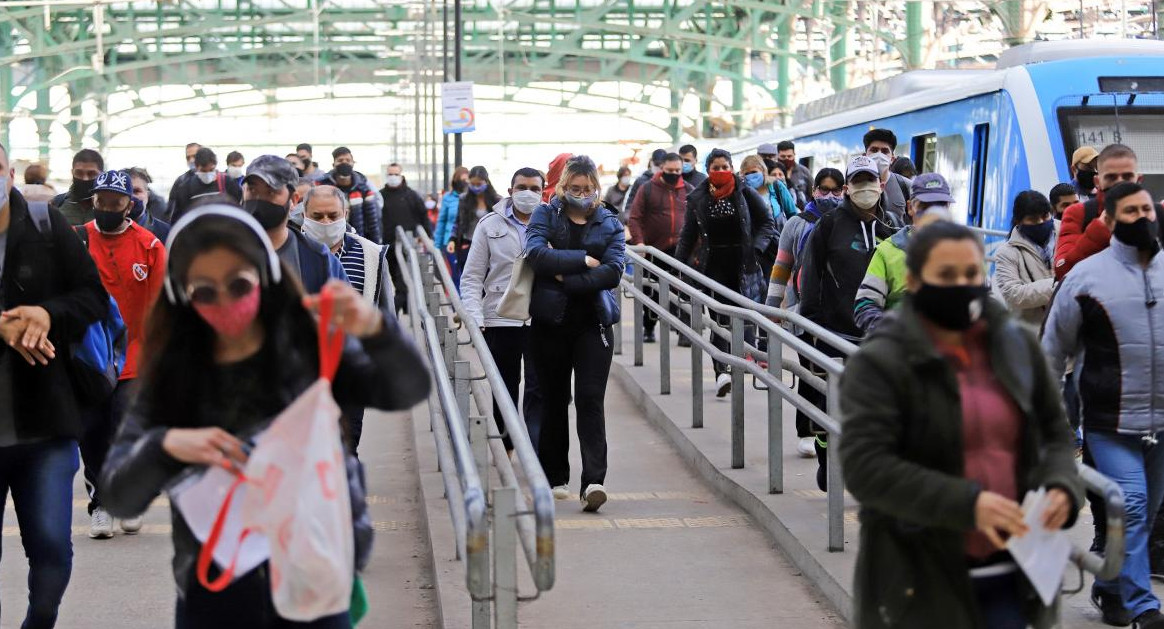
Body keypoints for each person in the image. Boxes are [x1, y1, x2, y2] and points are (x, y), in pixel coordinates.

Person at [99, 205, 430, 629]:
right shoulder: (172, 375)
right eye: (205, 291)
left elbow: (406, 389)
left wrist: (378, 331)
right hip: (215, 590)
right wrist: (165, 447)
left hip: (314, 574)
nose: (224, 302)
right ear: (183, 295)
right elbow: (117, 494)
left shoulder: (309, 347)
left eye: (238, 284)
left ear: (264, 276)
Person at [840, 220, 1082, 629]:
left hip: (1014, 571)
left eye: (970, 274)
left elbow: (1055, 432)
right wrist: (968, 504)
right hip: (919, 577)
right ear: (915, 281)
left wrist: (1062, 486)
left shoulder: (1016, 346)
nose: (961, 285)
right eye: (946, 276)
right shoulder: (881, 361)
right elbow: (866, 468)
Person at [1042, 182, 1164, 629]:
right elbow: (1052, 349)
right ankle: (1143, 607)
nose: (1143, 218)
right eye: (1130, 211)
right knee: (1130, 505)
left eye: (1147, 209)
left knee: (1144, 514)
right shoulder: (1086, 277)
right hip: (1110, 422)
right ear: (1109, 221)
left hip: (1161, 424)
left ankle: (1110, 586)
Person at [0, 143, 109, 628]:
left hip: (46, 420)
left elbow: (92, 297)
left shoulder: (46, 226)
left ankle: (38, 622)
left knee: (50, 546)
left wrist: (47, 313)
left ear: (9, 172)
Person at [526, 156, 625, 512]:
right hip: (550, 323)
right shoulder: (545, 215)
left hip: (593, 324)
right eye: (575, 188)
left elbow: (613, 271)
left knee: (589, 398)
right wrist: (584, 260)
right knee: (554, 400)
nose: (582, 195)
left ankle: (593, 481)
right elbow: (536, 255)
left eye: (588, 189)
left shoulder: (609, 220)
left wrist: (563, 273)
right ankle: (555, 477)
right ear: (563, 187)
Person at [798, 156, 901, 489]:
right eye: (858, 182)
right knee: (830, 404)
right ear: (847, 189)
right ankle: (826, 455)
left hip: (876, 332)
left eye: (870, 181)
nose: (865, 189)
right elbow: (810, 275)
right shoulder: (829, 225)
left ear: (881, 184)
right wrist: (811, 325)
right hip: (833, 329)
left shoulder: (892, 226)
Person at [77, 169, 166, 540]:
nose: (108, 208)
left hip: (135, 356)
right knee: (94, 432)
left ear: (131, 204)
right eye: (102, 202)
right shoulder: (77, 242)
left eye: (116, 203)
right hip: (90, 357)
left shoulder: (149, 246)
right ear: (93, 202)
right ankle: (100, 505)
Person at [675, 148, 776, 398]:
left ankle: (741, 362)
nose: (720, 171)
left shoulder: (745, 193)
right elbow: (688, 235)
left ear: (731, 168)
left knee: (741, 318)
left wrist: (757, 249)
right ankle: (721, 372)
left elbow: (767, 223)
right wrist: (678, 266)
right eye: (715, 167)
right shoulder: (698, 198)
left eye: (724, 167)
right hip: (713, 267)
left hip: (743, 266)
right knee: (719, 320)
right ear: (708, 170)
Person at [302, 185, 393, 455]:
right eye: (317, 217)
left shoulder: (371, 255)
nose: (326, 223)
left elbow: (383, 310)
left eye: (333, 215)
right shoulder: (289, 252)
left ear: (345, 213)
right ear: (303, 215)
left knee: (347, 440)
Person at [460, 167, 545, 455]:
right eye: (522, 187)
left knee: (539, 387)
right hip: (499, 316)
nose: (528, 193)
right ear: (510, 191)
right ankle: (507, 444)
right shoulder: (489, 225)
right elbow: (472, 276)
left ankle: (537, 450)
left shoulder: (553, 222)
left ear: (543, 191)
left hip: (541, 318)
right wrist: (474, 316)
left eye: (535, 188)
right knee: (504, 387)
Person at [766, 167, 845, 459]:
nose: (830, 195)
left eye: (837, 190)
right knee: (811, 376)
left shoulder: (848, 223)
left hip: (840, 315)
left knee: (834, 378)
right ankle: (807, 431)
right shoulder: (797, 224)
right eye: (824, 189)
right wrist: (771, 310)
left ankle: (829, 435)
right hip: (803, 314)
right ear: (813, 191)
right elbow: (781, 268)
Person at [854, 172, 954, 335]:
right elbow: (864, 305)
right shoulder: (887, 252)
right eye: (925, 207)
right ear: (910, 208)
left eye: (940, 206)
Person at [242, 155, 347, 293]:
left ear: (294, 199)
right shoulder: (226, 251)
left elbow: (341, 310)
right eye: (253, 190)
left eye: (271, 192)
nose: (260, 200)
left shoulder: (318, 257)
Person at [628, 152, 691, 343]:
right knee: (651, 291)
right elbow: (635, 217)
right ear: (662, 168)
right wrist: (639, 242)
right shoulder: (647, 189)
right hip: (653, 250)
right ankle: (649, 328)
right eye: (670, 170)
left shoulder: (688, 190)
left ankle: (685, 332)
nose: (674, 174)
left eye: (677, 171)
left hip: (681, 251)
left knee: (685, 291)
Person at [1053, 143, 1142, 281]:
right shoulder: (1078, 213)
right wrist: (1099, 229)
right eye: (1111, 177)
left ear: (1139, 179)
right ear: (1098, 181)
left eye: (1127, 176)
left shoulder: (1153, 214)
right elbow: (1062, 270)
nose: (1119, 183)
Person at [992, 191, 1057, 328]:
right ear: (1018, 221)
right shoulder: (1006, 253)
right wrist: (1059, 285)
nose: (1041, 222)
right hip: (1033, 334)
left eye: (1045, 216)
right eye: (1033, 219)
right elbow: (1014, 295)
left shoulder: (1067, 234)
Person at [447, 166, 502, 289]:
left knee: (488, 281)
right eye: (472, 184)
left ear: (486, 182)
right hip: (468, 245)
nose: (476, 187)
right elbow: (458, 221)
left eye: (479, 184)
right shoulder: (464, 199)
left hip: (491, 246)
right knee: (469, 280)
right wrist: (452, 239)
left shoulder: (497, 200)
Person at [318, 147, 382, 244]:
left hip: (360, 240)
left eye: (348, 160)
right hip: (329, 241)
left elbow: (373, 222)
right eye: (340, 160)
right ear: (333, 164)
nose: (344, 163)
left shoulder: (364, 188)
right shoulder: (323, 186)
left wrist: (376, 245)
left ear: (353, 163)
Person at [169, 147, 243, 222]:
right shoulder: (186, 188)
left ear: (215, 166)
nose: (208, 174)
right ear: (197, 167)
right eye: (203, 171)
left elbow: (238, 208)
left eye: (211, 170)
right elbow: (178, 218)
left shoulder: (228, 183)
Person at [863, 128, 913, 223]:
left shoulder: (906, 186)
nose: (879, 155)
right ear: (865, 156)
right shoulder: (856, 185)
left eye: (885, 151)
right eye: (874, 150)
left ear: (892, 159)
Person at [379, 162, 432, 242]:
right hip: (386, 241)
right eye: (390, 174)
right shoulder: (380, 195)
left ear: (401, 176)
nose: (393, 177)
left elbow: (423, 215)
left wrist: (428, 236)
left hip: (409, 241)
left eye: (396, 174)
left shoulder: (412, 195)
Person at [50, 148, 104, 226]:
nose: (85, 178)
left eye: (91, 174)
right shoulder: (57, 203)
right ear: (72, 172)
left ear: (101, 175)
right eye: (79, 173)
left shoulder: (109, 207)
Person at [435, 166, 469, 282]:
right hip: (450, 242)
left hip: (468, 241)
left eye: (466, 180)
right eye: (461, 180)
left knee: (467, 274)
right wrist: (437, 246)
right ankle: (457, 298)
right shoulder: (447, 198)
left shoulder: (472, 198)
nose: (464, 183)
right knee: (456, 273)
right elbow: (441, 221)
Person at [126, 167, 172, 242]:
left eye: (136, 191)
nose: (132, 196)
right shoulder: (105, 231)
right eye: (126, 191)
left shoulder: (166, 233)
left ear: (147, 195)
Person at [165, 142, 202, 221]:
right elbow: (171, 210)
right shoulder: (181, 181)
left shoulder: (219, 179)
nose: (191, 160)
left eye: (194, 156)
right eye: (188, 158)